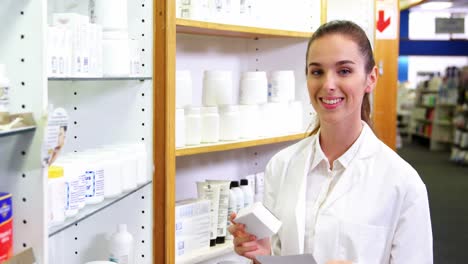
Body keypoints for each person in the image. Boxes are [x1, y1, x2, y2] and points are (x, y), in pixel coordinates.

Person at [228, 20, 433, 264]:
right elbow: (283, 256)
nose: (328, 85)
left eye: (344, 71)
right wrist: (264, 256)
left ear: (371, 79)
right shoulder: (281, 166)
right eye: (317, 72)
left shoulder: (403, 183)